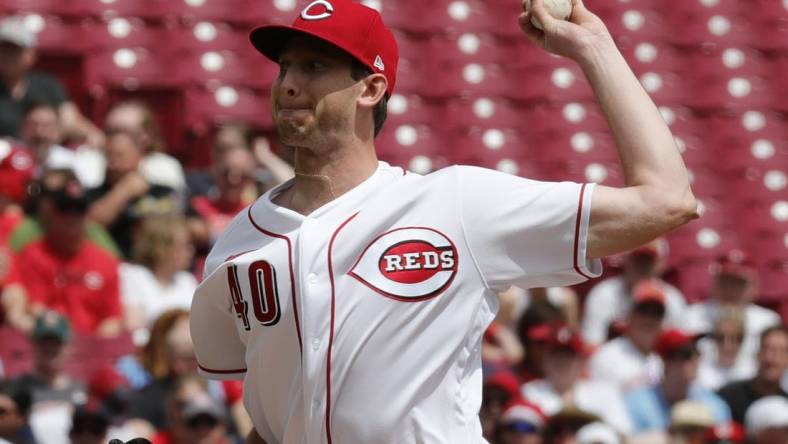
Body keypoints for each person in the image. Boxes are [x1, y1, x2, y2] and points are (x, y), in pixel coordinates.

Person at [189, 0, 699, 443]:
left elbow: (667, 200)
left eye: (314, 66)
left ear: (370, 89)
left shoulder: (455, 204)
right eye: (285, 67)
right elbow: (278, 423)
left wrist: (596, 49)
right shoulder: (237, 245)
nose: (290, 85)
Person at [1, 177, 123, 336]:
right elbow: (33, 306)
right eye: (65, 211)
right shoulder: (33, 254)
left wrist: (97, 348)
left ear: (87, 216)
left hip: (90, 347)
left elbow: (112, 317)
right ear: (52, 214)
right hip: (47, 341)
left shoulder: (104, 261)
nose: (71, 218)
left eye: (78, 211)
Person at [0, 16, 102, 144]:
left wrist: (93, 136)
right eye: (4, 50)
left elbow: (70, 120)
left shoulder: (47, 85)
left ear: (30, 54)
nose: (9, 56)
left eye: (15, 50)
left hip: (44, 156)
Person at [87, 129, 182, 258]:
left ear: (139, 156)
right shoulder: (95, 195)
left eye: (119, 156)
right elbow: (90, 225)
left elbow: (187, 225)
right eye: (108, 156)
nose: (112, 164)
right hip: (119, 262)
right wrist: (123, 192)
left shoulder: (162, 192)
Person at [520, 325, 633, 433]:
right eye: (556, 355)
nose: (562, 361)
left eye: (569, 356)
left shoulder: (604, 394)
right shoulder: (528, 393)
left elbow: (622, 434)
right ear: (545, 360)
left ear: (581, 362)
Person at [682, 250, 781, 371]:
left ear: (753, 287)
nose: (731, 289)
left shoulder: (767, 322)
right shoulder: (692, 317)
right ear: (714, 283)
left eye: (739, 284)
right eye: (726, 281)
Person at [581, 239, 687, 346]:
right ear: (625, 260)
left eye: (648, 261)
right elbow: (591, 344)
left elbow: (678, 347)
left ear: (661, 265)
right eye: (638, 260)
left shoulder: (673, 299)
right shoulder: (604, 294)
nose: (642, 266)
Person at [624, 329, 731, 433]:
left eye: (697, 353)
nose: (695, 360)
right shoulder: (638, 403)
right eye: (687, 355)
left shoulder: (714, 406)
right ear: (666, 362)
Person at [7, 311, 88, 444]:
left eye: (56, 342)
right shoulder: (15, 389)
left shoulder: (83, 391)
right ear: (33, 346)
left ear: (68, 347)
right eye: (44, 342)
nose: (50, 348)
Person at [121, 216, 197, 346]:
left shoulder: (187, 281)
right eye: (185, 246)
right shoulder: (133, 276)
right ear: (163, 247)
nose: (191, 251)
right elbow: (133, 328)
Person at [588, 279, 666, 392]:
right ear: (629, 315)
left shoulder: (666, 361)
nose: (649, 319)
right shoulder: (607, 356)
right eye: (643, 311)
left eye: (657, 313)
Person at [103, 101, 185, 192]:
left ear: (145, 136)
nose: (115, 139)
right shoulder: (95, 163)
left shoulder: (163, 167)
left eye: (122, 132)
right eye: (109, 132)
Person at [19, 102, 105, 188]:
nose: (40, 132)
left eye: (46, 126)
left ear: (57, 130)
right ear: (22, 127)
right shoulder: (8, 155)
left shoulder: (72, 164)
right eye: (33, 125)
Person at [716, 325, 788, 424]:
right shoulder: (728, 396)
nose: (770, 358)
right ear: (757, 353)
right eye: (766, 349)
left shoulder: (785, 405)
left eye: (780, 351)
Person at [696, 308, 755, 391]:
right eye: (720, 338)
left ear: (743, 340)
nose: (727, 346)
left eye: (735, 338)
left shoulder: (752, 373)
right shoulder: (699, 371)